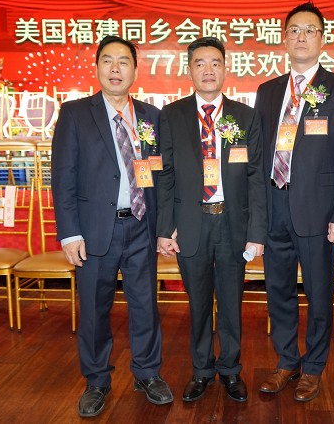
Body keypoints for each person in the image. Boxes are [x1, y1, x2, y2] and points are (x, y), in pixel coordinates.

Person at [52, 35, 173, 418]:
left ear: (135, 70)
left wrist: (163, 227)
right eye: (108, 60)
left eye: (124, 61)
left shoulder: (151, 116)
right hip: (93, 232)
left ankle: (147, 373)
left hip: (140, 226)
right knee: (93, 310)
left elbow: (159, 175)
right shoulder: (75, 113)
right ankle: (97, 381)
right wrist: (70, 233)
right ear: (97, 67)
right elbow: (63, 177)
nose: (116, 68)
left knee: (145, 306)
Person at [254, 2, 334, 402]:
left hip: (319, 212)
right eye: (294, 30)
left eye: (309, 30)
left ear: (322, 39)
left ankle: (313, 367)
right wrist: (256, 214)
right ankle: (287, 361)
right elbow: (259, 156)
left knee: (318, 294)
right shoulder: (267, 91)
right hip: (273, 206)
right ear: (284, 38)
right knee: (278, 291)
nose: (301, 37)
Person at [156, 37, 267, 403]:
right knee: (199, 303)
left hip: (233, 224)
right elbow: (165, 175)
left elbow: (256, 177)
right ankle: (202, 370)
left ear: (225, 69)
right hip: (191, 224)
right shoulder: (171, 115)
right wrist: (164, 228)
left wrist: (256, 232)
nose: (208, 70)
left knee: (232, 303)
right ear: (189, 69)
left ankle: (231, 370)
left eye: (215, 63)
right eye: (200, 63)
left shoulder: (245, 116)